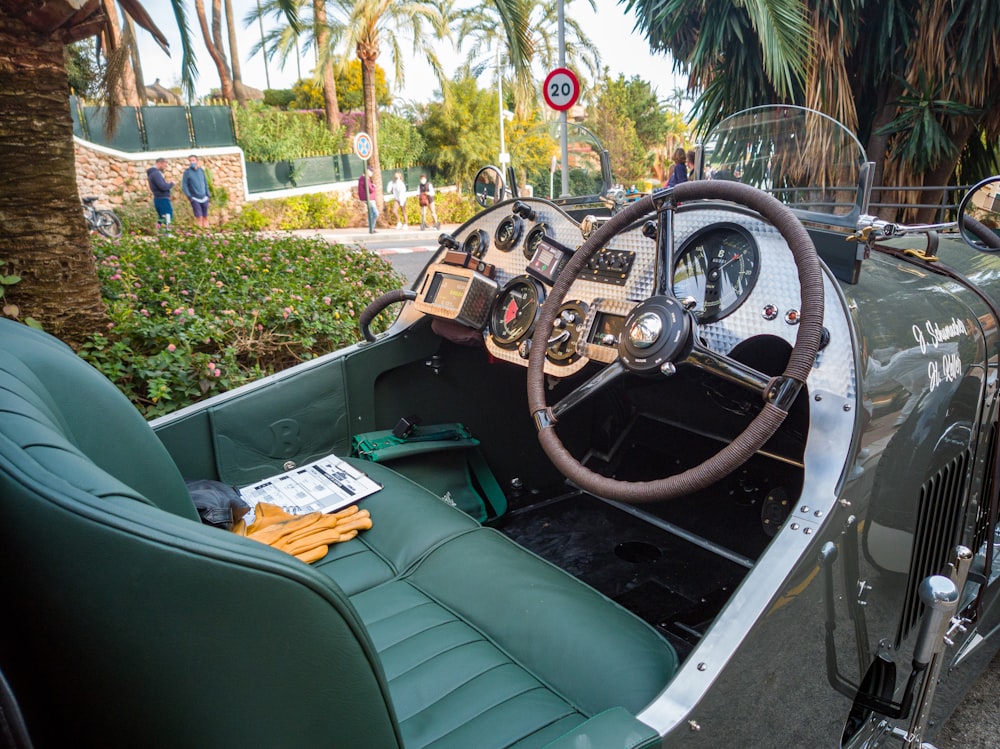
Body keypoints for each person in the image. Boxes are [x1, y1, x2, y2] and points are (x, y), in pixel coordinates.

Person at [182, 155, 210, 228]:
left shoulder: (201, 171)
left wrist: (208, 194)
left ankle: (208, 236)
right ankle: (199, 236)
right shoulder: (187, 172)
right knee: (199, 217)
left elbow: (205, 183)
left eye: (193, 160)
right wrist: (190, 197)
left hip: (204, 198)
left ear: (197, 161)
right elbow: (184, 186)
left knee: (205, 217)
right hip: (195, 198)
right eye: (190, 161)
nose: (192, 162)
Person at [146, 157, 174, 230]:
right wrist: (171, 184)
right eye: (164, 165)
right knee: (168, 216)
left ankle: (158, 233)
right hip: (162, 199)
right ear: (159, 163)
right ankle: (168, 234)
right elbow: (162, 187)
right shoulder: (156, 174)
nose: (165, 167)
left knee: (161, 218)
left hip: (158, 198)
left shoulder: (152, 174)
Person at [358, 167, 378, 234]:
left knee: (371, 213)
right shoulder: (365, 179)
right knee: (375, 213)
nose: (372, 173)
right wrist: (373, 186)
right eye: (371, 171)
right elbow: (370, 189)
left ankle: (371, 227)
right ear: (368, 171)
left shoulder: (361, 178)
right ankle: (371, 228)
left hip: (367, 198)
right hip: (370, 198)